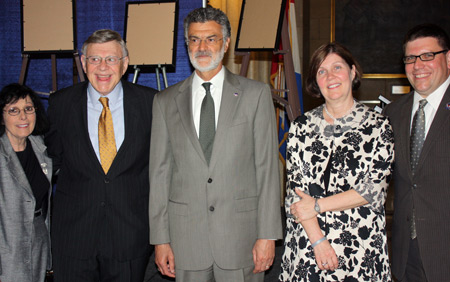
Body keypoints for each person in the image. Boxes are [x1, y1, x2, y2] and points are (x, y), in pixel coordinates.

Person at [149, 6, 282, 282]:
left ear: (226, 43)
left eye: (211, 38)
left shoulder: (255, 95)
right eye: (195, 39)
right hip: (186, 242)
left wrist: (268, 235)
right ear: (187, 44)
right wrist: (160, 239)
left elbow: (267, 169)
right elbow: (159, 175)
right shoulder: (164, 101)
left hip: (242, 241)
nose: (202, 47)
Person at [44, 29, 157, 282]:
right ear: (84, 63)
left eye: (111, 59)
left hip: (130, 238)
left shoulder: (151, 103)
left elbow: (161, 170)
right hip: (74, 238)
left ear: (125, 63)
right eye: (95, 59)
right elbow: (53, 160)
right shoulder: (60, 104)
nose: (102, 67)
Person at [279, 42, 394, 281]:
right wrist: (319, 241)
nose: (330, 76)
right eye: (321, 71)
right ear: (316, 82)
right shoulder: (302, 126)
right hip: (308, 247)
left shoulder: (378, 125)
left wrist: (318, 205)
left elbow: (372, 190)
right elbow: (295, 195)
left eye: (337, 67)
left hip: (361, 250)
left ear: (352, 72)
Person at [384, 23, 450, 282]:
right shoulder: (393, 114)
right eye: (410, 58)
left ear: (447, 58)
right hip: (406, 254)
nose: (417, 65)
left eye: (427, 56)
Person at [0, 83, 52, 282]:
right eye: (13, 110)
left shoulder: (42, 148)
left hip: (38, 240)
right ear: (2, 117)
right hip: (6, 247)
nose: (23, 117)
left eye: (28, 109)